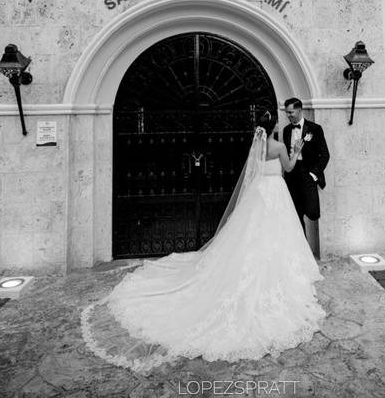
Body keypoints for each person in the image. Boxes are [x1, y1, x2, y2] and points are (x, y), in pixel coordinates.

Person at [80, 111, 325, 373]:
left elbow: (253, 173)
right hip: (275, 193)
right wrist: (297, 149)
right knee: (275, 234)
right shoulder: (277, 146)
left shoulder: (258, 145)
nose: (279, 122)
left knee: (251, 233)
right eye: (276, 120)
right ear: (272, 126)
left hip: (259, 194)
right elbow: (288, 168)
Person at [281, 98, 330, 258]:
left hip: (308, 174)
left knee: (312, 211)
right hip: (292, 174)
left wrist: (313, 175)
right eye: (287, 112)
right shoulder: (287, 130)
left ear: (300, 110)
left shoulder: (315, 129)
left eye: (290, 112)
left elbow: (325, 155)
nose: (288, 115)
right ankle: (302, 252)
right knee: (296, 213)